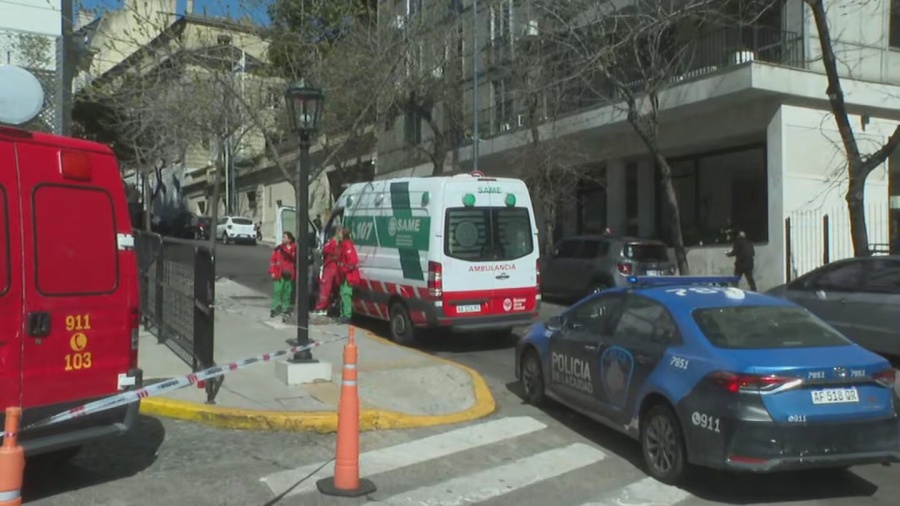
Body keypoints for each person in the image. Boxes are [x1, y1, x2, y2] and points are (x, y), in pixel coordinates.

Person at [269, 232, 297, 320]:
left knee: (287, 292)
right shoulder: (278, 249)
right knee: (277, 291)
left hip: (289, 273)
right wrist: (272, 271)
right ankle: (274, 308)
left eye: (284, 237)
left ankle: (285, 309)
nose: (283, 239)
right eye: (282, 237)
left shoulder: (295, 249)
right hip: (279, 273)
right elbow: (273, 261)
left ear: (289, 239)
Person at [312, 231, 341, 316]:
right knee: (331, 289)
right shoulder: (339, 245)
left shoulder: (332, 243)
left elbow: (324, 250)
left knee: (325, 289)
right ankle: (326, 307)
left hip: (330, 267)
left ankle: (321, 308)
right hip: (335, 267)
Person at [337, 226, 361, 324]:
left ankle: (347, 315)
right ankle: (343, 314)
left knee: (346, 294)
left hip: (348, 276)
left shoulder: (347, 246)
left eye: (339, 233)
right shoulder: (343, 245)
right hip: (344, 275)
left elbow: (352, 262)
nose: (338, 235)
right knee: (342, 294)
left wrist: (344, 270)